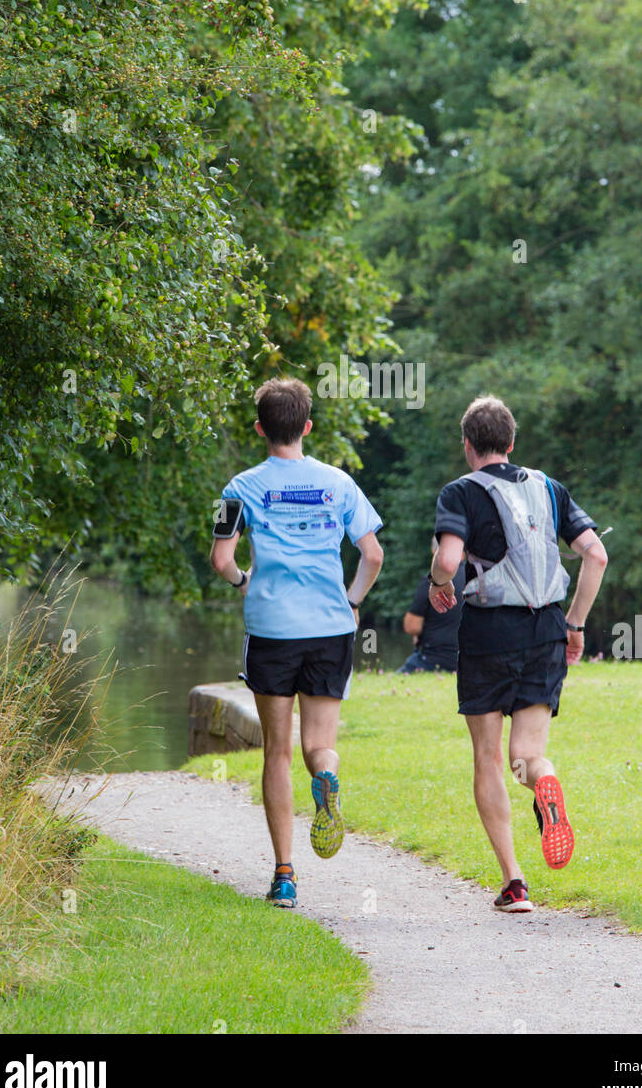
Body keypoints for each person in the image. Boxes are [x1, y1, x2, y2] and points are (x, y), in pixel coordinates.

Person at [210, 377, 384, 909]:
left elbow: (222, 561)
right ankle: (327, 776)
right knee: (316, 746)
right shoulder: (340, 484)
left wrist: (246, 583)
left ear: (261, 428)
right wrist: (352, 601)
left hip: (272, 630)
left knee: (277, 750)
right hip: (330, 627)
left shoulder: (237, 489)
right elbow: (373, 554)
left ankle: (285, 876)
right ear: (307, 426)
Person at [428, 395, 607, 913]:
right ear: (511, 443)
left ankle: (514, 883)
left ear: (468, 446)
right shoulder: (548, 487)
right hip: (547, 627)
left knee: (487, 755)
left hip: (488, 633)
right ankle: (544, 781)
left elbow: (449, 557)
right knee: (525, 757)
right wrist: (574, 624)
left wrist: (440, 582)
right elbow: (595, 554)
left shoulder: (459, 493)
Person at [398, 537, 464, 673]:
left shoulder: (432, 581)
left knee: (394, 679)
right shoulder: (476, 578)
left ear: (435, 552)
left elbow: (411, 626)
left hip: (433, 659)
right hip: (468, 660)